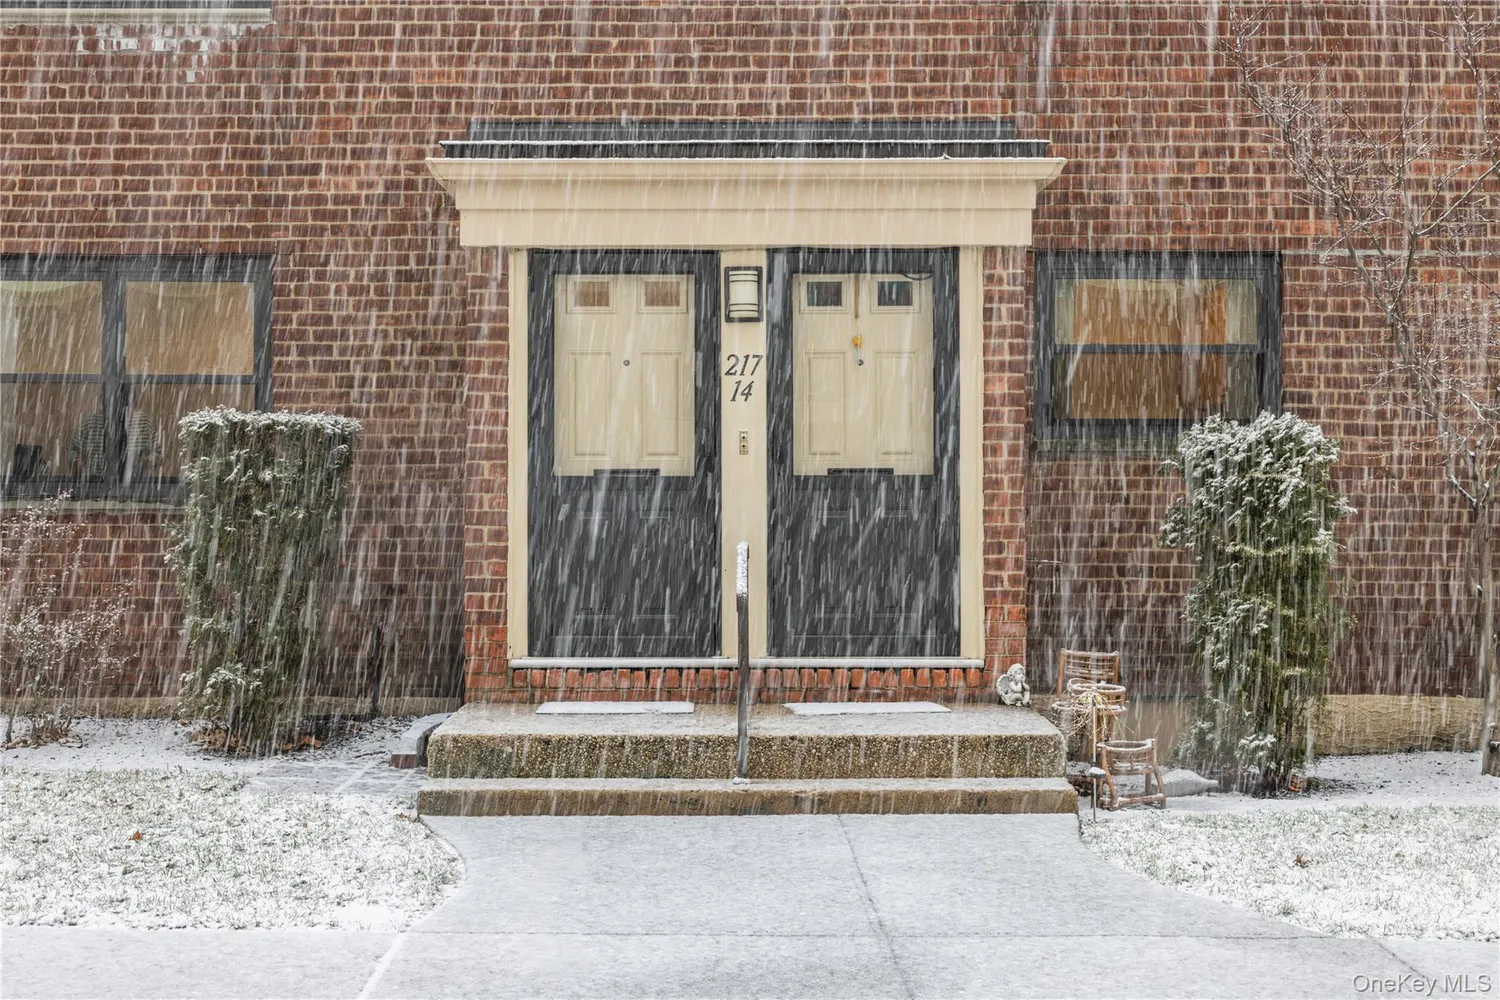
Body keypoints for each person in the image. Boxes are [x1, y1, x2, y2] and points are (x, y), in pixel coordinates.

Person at [69, 395, 161, 482]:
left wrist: (145, 462)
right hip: (95, 482)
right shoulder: (90, 422)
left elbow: (157, 453)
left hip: (134, 482)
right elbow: (73, 450)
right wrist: (79, 467)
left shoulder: (143, 422)